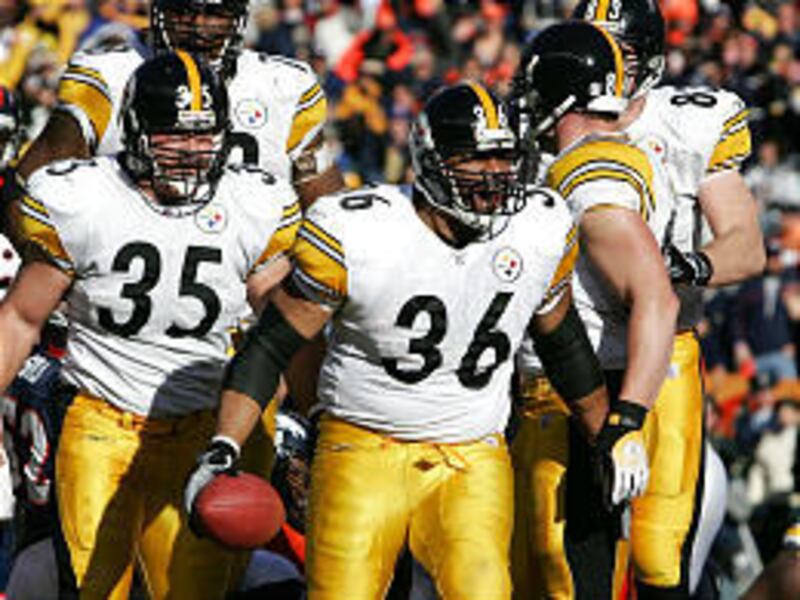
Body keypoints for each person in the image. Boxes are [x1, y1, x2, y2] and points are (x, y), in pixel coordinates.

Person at [185, 82, 650, 599]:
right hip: (361, 449)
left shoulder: (537, 227)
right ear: (431, 161)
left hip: (471, 456)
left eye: (504, 160)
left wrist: (606, 434)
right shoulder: (358, 230)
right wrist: (224, 445)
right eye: (477, 160)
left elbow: (562, 340)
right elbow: (270, 344)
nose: (496, 176)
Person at [1, 51, 301, 599]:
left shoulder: (251, 203)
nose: (190, 150)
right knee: (94, 590)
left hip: (201, 425)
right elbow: (21, 318)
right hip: (100, 422)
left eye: (203, 134)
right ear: (137, 131)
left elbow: (285, 325)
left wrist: (318, 407)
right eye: (173, 136)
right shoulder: (85, 198)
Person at [513, 0, 766, 596]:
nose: (602, 65)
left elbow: (747, 248)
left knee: (658, 555)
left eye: (618, 51)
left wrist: (681, 266)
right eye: (590, 44)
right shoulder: (545, 123)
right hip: (558, 359)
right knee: (553, 558)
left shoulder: (688, 121)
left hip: (662, 352)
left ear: (649, 58)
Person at [510, 20, 680, 600]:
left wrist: (625, 420)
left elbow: (655, 295)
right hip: (578, 395)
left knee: (564, 575)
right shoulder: (596, 159)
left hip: (583, 400)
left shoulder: (589, 174)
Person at [16, 0, 343, 209]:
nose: (198, 27)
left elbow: (327, 212)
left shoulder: (286, 86)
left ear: (238, 16)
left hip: (249, 297)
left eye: (215, 13)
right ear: (158, 9)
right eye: (183, 10)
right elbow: (29, 192)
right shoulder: (105, 77)